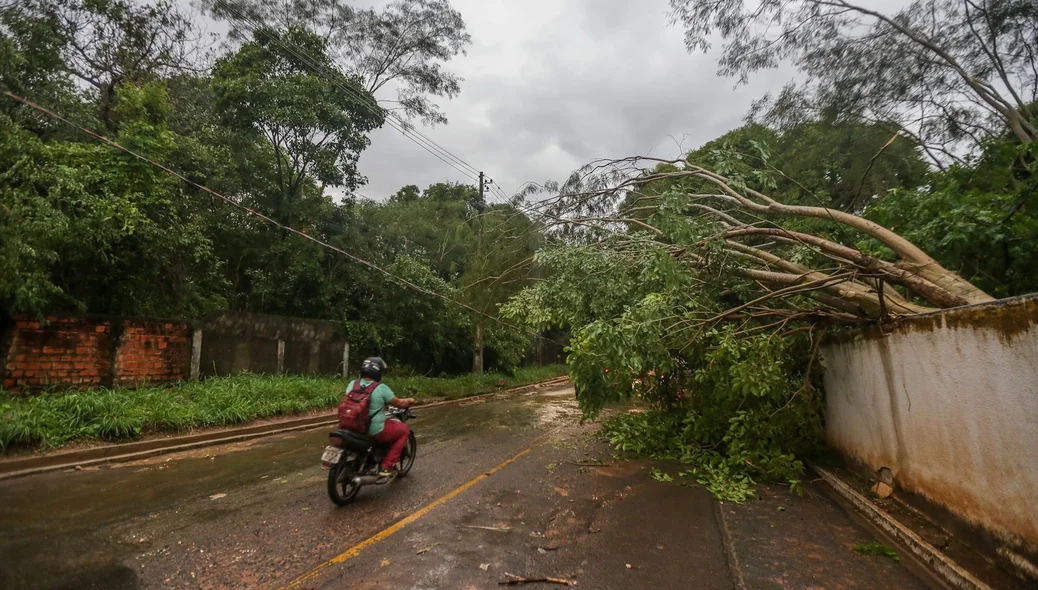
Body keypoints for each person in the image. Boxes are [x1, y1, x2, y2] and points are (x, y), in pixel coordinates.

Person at [352, 357, 415, 478]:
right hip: (372, 429)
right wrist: (410, 400)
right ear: (377, 372)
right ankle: (386, 466)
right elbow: (400, 403)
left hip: (352, 426)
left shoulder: (352, 384)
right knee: (404, 430)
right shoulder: (381, 388)